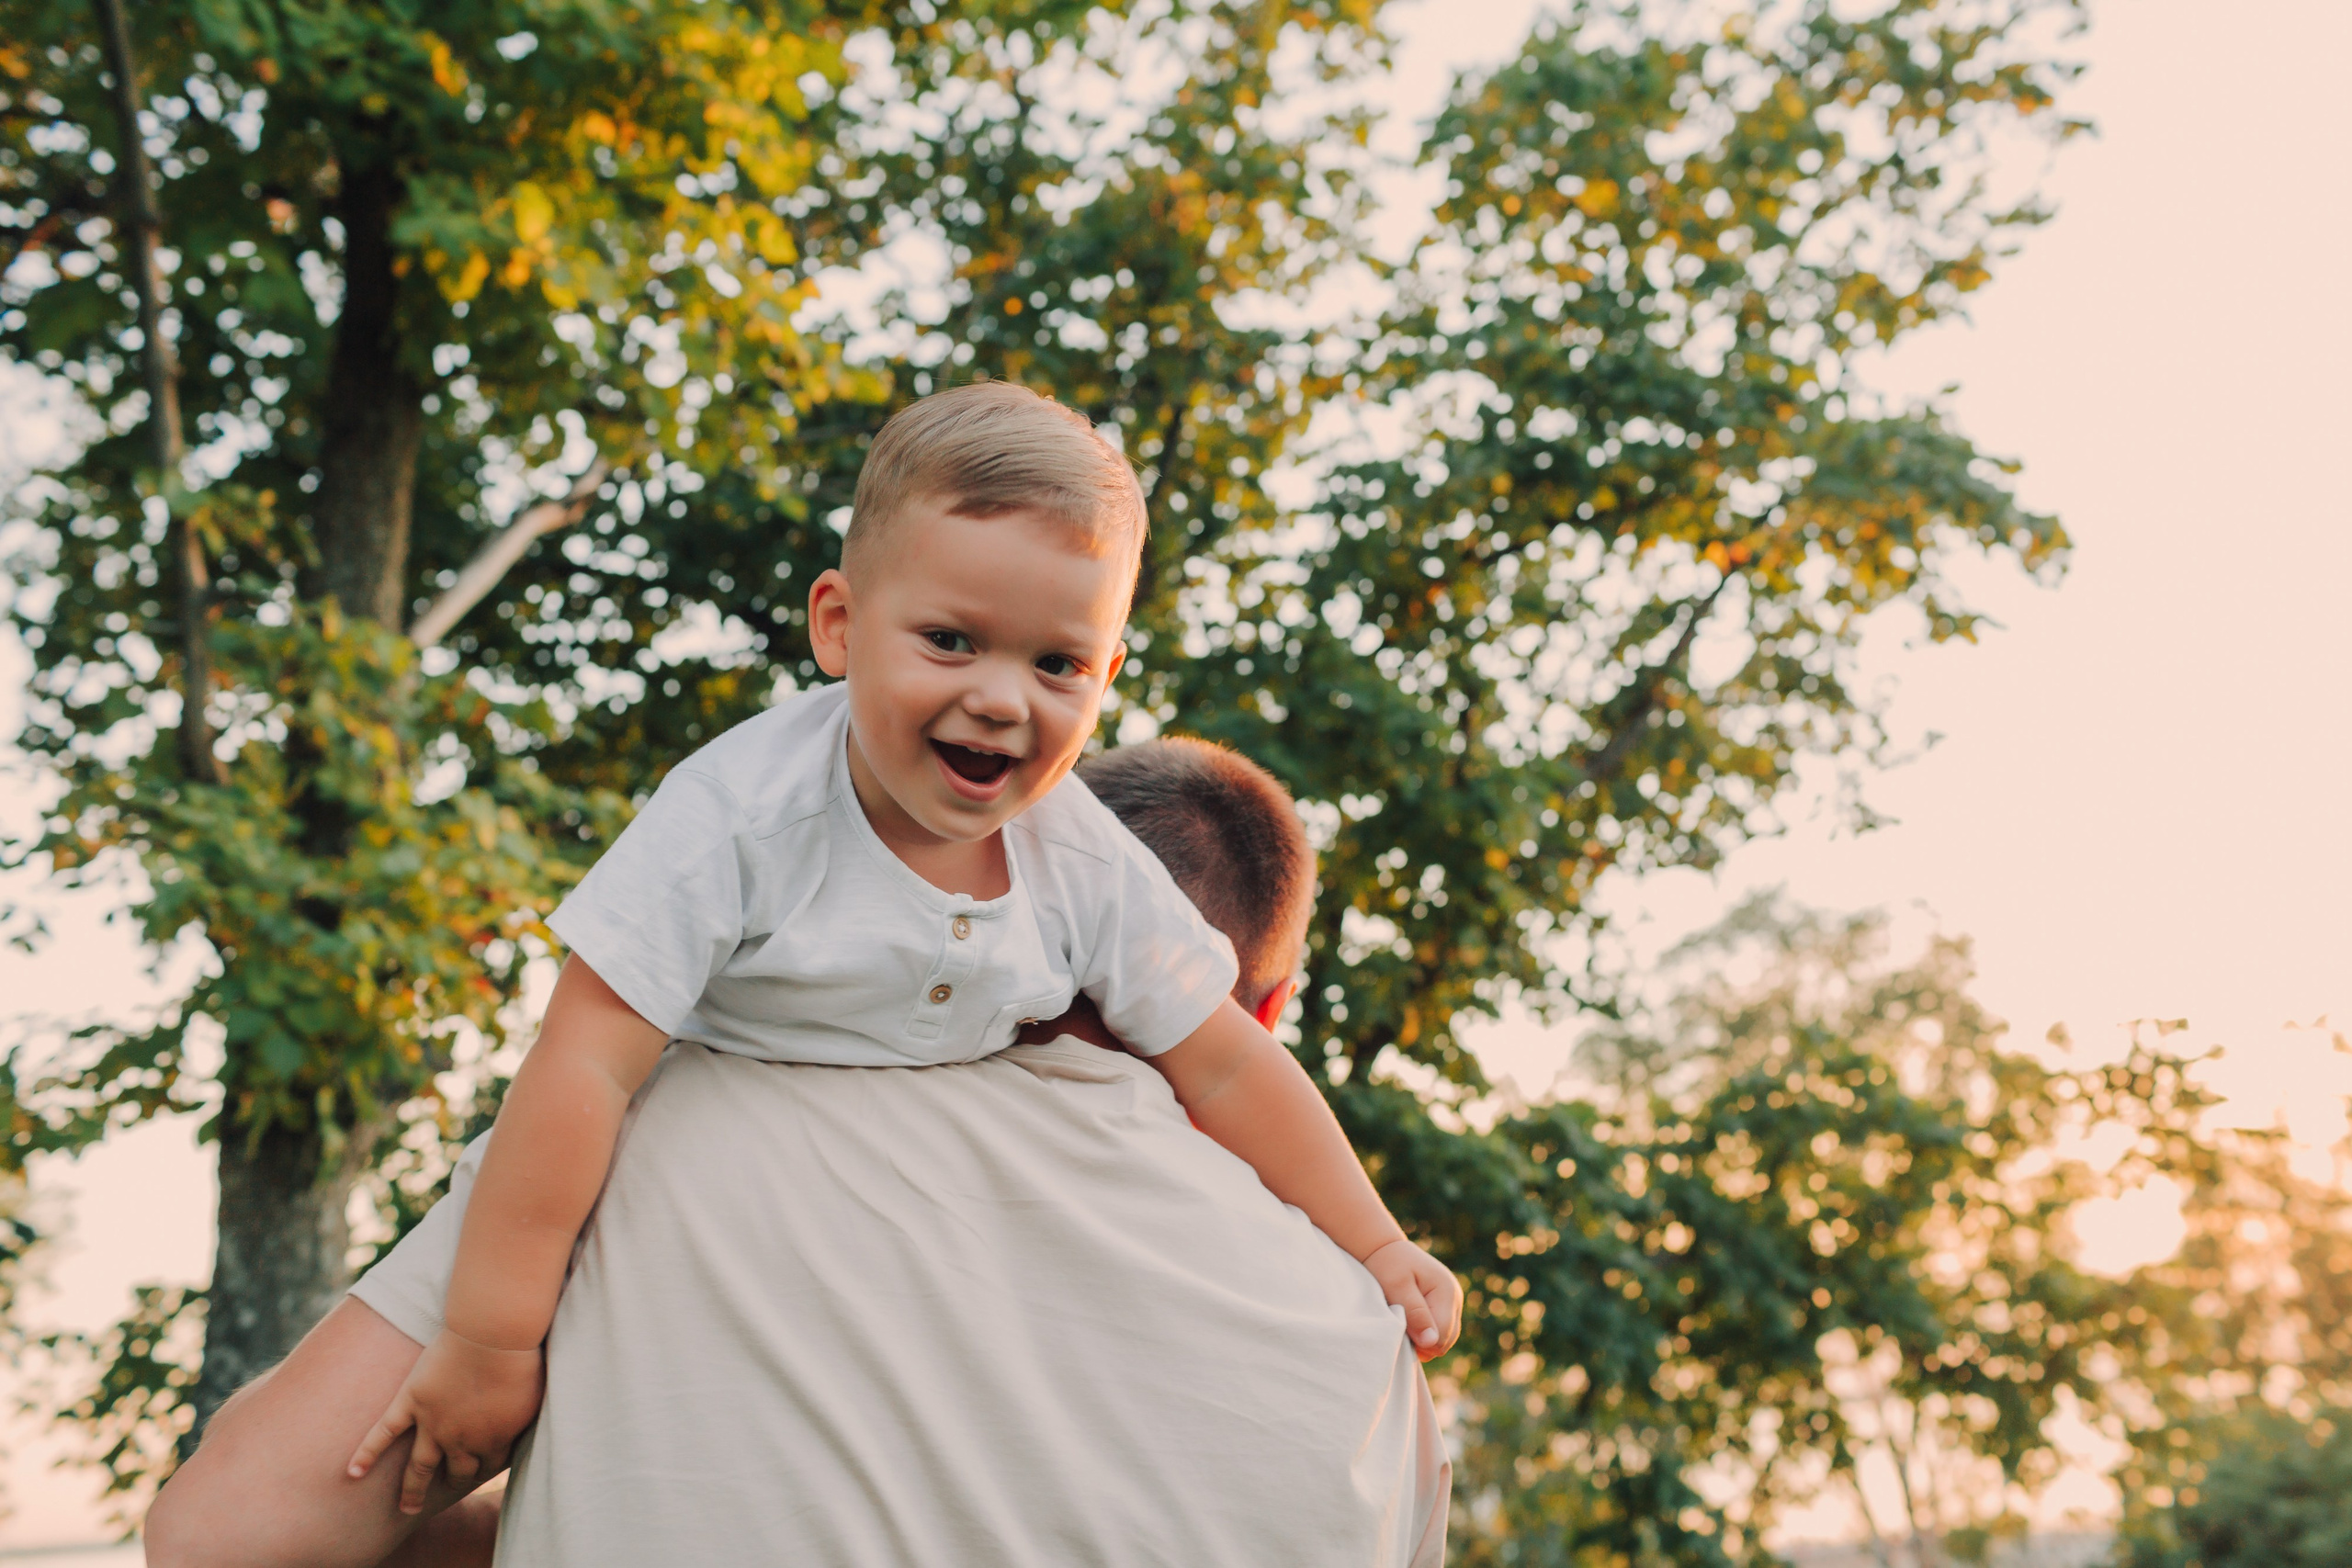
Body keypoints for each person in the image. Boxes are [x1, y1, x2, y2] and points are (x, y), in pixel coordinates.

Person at [146, 383, 1457, 1564]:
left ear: (1107, 676)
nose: (1004, 698)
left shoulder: (1076, 860)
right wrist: (494, 1341)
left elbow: (1226, 1063)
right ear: (838, 625)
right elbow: (584, 1060)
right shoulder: (742, 814)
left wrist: (1378, 1239)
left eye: (1057, 664)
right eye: (952, 642)